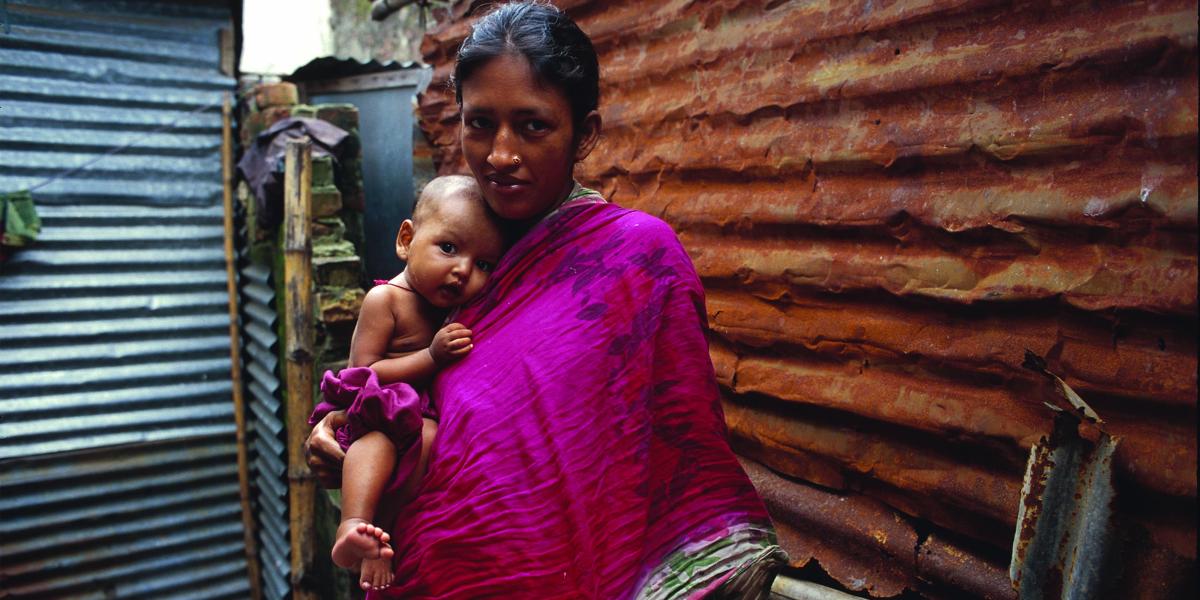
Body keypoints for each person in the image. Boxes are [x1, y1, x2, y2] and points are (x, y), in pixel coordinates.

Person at [306, 3, 787, 597]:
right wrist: (337, 433)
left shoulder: (633, 261)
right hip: (422, 573)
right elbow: (389, 387)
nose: (500, 155)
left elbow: (676, 442)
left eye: (532, 126)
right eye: (479, 123)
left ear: (583, 133)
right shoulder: (459, 255)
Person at [308, 175, 506, 591]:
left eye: (483, 264)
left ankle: (380, 535)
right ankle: (353, 523)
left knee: (428, 438)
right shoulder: (386, 300)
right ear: (406, 240)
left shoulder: (450, 308)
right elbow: (363, 372)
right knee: (380, 440)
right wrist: (431, 357)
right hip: (375, 408)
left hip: (416, 419)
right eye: (448, 248)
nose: (461, 271)